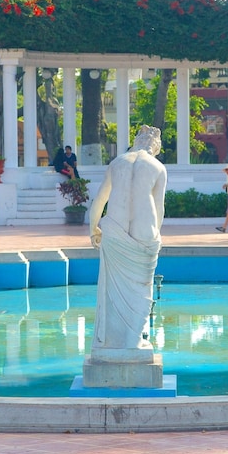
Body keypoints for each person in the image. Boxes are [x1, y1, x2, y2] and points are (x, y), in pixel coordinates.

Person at [88, 125, 167, 351]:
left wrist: (93, 228)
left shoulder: (117, 162)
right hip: (145, 231)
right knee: (142, 288)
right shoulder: (157, 167)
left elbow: (99, 201)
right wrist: (155, 236)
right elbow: (158, 208)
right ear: (155, 146)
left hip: (114, 227)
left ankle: (112, 342)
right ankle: (132, 342)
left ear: (136, 141)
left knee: (113, 289)